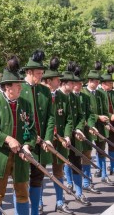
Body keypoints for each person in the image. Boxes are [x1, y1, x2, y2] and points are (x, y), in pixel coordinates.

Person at [0, 55, 37, 215]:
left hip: (21, 156)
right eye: (18, 85)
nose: (21, 88)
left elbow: (32, 130)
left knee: (23, 193)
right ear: (8, 87)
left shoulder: (25, 103)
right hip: (0, 154)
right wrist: (8, 139)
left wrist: (27, 145)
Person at [20, 50, 55, 215]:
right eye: (38, 73)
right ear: (29, 72)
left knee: (37, 180)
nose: (41, 76)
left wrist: (48, 138)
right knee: (22, 182)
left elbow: (50, 117)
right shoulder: (19, 88)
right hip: (25, 144)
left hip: (42, 146)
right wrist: (31, 137)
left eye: (42, 73)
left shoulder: (45, 91)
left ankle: (34, 211)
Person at [40, 57, 74, 214]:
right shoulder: (40, 95)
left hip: (60, 141)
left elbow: (68, 119)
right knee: (40, 172)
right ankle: (39, 203)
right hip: (43, 142)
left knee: (58, 171)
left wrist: (67, 135)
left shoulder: (62, 97)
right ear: (49, 80)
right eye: (56, 79)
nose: (59, 81)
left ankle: (60, 202)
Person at [59, 62, 91, 208]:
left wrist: (78, 129)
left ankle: (79, 192)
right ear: (64, 83)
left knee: (76, 163)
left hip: (73, 137)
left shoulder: (74, 97)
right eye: (72, 83)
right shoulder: (56, 96)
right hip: (59, 138)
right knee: (60, 166)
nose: (74, 85)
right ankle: (60, 198)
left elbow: (79, 116)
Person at [82, 61, 114, 185]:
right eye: (94, 81)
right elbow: (84, 113)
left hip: (101, 126)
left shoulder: (101, 94)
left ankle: (104, 175)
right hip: (88, 127)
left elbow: (105, 111)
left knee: (101, 151)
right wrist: (97, 117)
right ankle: (87, 180)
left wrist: (107, 118)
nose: (96, 83)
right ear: (89, 81)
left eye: (97, 81)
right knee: (88, 154)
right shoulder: (84, 93)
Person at [73, 66, 101, 194]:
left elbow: (89, 114)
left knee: (87, 156)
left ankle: (86, 182)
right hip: (73, 133)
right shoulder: (67, 96)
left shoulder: (85, 96)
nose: (79, 85)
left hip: (86, 132)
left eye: (80, 83)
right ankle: (70, 183)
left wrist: (90, 125)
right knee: (72, 159)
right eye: (77, 83)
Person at [99, 65, 114, 175]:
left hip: (113, 122)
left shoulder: (112, 93)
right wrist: (109, 115)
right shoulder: (99, 93)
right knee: (101, 146)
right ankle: (100, 169)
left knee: (112, 145)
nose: (112, 84)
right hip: (102, 123)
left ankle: (112, 167)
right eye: (109, 83)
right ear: (103, 83)